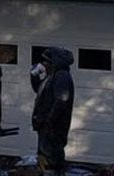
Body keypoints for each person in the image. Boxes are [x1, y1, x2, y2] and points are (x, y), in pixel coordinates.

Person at [30, 47, 74, 176]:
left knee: (51, 161)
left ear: (53, 62)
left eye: (46, 62)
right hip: (46, 127)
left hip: (53, 129)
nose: (43, 65)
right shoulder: (52, 76)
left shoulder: (62, 76)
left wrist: (49, 121)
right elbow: (39, 91)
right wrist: (34, 75)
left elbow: (61, 100)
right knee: (44, 160)